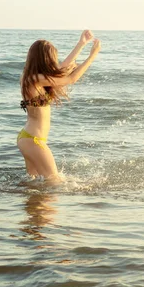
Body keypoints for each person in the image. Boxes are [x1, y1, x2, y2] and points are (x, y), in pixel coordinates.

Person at [17, 30, 101, 179]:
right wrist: (92, 56)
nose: (54, 62)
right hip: (33, 140)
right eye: (52, 58)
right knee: (54, 181)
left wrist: (81, 44)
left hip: (29, 138)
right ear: (45, 59)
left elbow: (61, 69)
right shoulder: (34, 79)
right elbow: (71, 78)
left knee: (34, 187)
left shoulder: (33, 77)